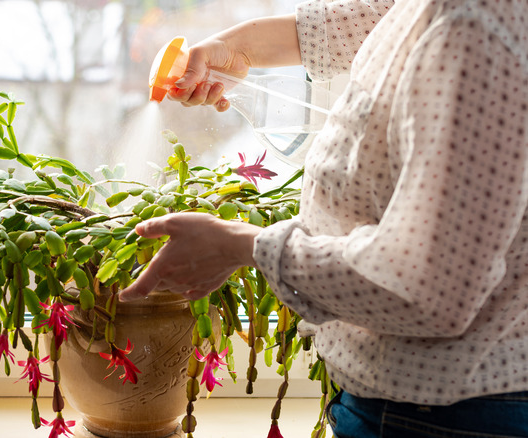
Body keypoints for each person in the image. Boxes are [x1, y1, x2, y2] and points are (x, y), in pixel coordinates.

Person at [120, 0, 528, 436]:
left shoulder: (476, 32)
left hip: (445, 418)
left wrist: (242, 245)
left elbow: (427, 288)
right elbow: (381, 19)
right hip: (412, 406)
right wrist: (236, 49)